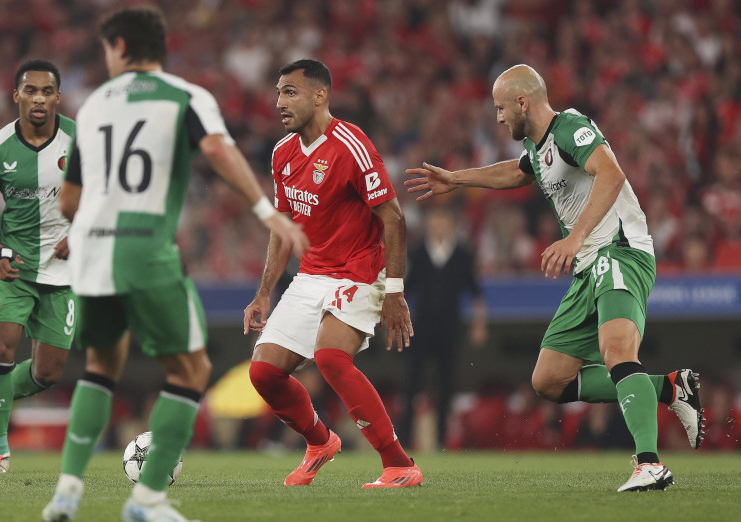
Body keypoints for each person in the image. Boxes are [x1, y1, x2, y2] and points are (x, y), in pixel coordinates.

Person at [40, 6, 308, 522]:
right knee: (191, 369)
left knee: (100, 368)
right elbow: (216, 148)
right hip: (144, 247)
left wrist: (91, 221)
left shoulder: (93, 105)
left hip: (92, 250)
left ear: (119, 47)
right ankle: (147, 501)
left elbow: (70, 200)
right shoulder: (186, 96)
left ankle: (67, 493)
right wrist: (265, 212)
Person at [405, 64, 705, 492]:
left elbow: (611, 172)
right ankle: (670, 388)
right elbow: (518, 171)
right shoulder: (539, 145)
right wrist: (457, 179)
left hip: (618, 250)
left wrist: (575, 237)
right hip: (589, 267)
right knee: (548, 381)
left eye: (501, 108)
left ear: (523, 102)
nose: (498, 117)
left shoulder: (570, 127)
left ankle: (649, 464)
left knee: (617, 349)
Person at [243, 59, 422, 489]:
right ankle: (320, 441)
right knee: (263, 373)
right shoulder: (282, 153)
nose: (279, 102)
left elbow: (394, 219)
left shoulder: (351, 143)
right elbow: (283, 228)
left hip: (360, 270)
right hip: (312, 273)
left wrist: (394, 293)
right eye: (278, 92)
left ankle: (399, 465)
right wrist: (264, 292)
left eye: (290, 92)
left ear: (320, 96)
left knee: (329, 357)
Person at [0, 59, 77, 473]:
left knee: (48, 372)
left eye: (47, 91)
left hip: (64, 268)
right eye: (30, 90)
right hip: (13, 264)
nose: (38, 98)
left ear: (57, 98)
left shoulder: (79, 140)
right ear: (16, 95)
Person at [401, 205, 487, 450]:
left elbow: (475, 292)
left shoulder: (462, 254)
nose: (438, 225)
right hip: (420, 327)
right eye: (434, 219)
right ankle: (404, 440)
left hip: (450, 327)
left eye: (443, 219)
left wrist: (479, 325)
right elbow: (406, 289)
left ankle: (440, 441)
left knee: (446, 383)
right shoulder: (417, 253)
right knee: (412, 382)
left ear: (451, 224)